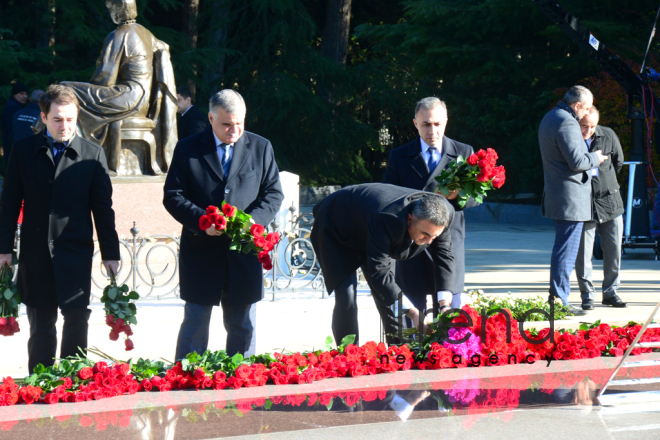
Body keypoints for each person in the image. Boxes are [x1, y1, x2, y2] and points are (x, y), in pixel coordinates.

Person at [0, 84, 120, 373]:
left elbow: (103, 210)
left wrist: (110, 253)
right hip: (36, 251)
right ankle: (41, 382)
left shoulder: (92, 154)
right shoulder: (23, 150)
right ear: (43, 118)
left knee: (77, 319)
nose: (64, 125)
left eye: (70, 119)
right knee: (42, 323)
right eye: (57, 119)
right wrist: (4, 249)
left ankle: (71, 382)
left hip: (75, 250)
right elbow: (8, 203)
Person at [164, 89, 283, 360]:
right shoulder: (188, 148)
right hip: (201, 250)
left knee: (242, 324)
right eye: (227, 124)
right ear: (210, 118)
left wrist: (253, 222)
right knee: (195, 323)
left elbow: (273, 193)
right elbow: (173, 195)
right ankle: (187, 379)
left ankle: (240, 379)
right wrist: (201, 221)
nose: (234, 129)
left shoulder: (261, 147)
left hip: (243, 250)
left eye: (239, 122)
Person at [310, 183, 455, 346]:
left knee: (387, 294)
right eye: (425, 234)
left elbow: (445, 258)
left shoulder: (443, 215)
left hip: (369, 220)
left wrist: (444, 305)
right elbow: (379, 273)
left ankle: (400, 348)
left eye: (434, 237)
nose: (428, 242)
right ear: (410, 219)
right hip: (337, 225)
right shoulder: (387, 217)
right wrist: (414, 314)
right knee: (347, 294)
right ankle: (349, 352)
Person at [383, 97, 478, 313]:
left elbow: (476, 197)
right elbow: (388, 197)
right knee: (411, 315)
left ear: (446, 121)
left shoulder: (463, 152)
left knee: (447, 316)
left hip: (448, 242)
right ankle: (411, 348)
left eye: (437, 124)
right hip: (412, 242)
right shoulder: (399, 156)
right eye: (426, 124)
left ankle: (445, 347)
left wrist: (458, 196)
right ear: (415, 124)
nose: (432, 130)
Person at [63, 0, 177, 174]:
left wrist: (91, 91)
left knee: (65, 90)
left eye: (111, 8)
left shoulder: (118, 35)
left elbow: (105, 78)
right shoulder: (146, 33)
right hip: (144, 101)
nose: (110, 12)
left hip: (127, 97)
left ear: (118, 10)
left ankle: (70, 153)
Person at [538, 85, 609, 316]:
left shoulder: (550, 116)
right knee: (566, 251)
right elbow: (578, 161)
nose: (586, 112)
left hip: (560, 194)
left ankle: (558, 298)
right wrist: (596, 158)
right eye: (586, 108)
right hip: (570, 197)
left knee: (563, 249)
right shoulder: (567, 121)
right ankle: (559, 301)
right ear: (577, 106)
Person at [575, 106, 626, 309]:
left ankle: (611, 292)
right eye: (584, 126)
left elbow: (618, 163)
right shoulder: (570, 138)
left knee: (614, 250)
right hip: (583, 204)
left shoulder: (608, 135)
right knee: (583, 253)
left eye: (593, 126)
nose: (588, 131)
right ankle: (587, 295)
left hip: (610, 201)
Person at [1, 82, 29, 157]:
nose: (25, 96)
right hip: (12, 146)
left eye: (26, 94)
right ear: (14, 94)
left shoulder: (17, 106)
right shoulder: (12, 108)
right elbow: (12, 128)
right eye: (21, 93)